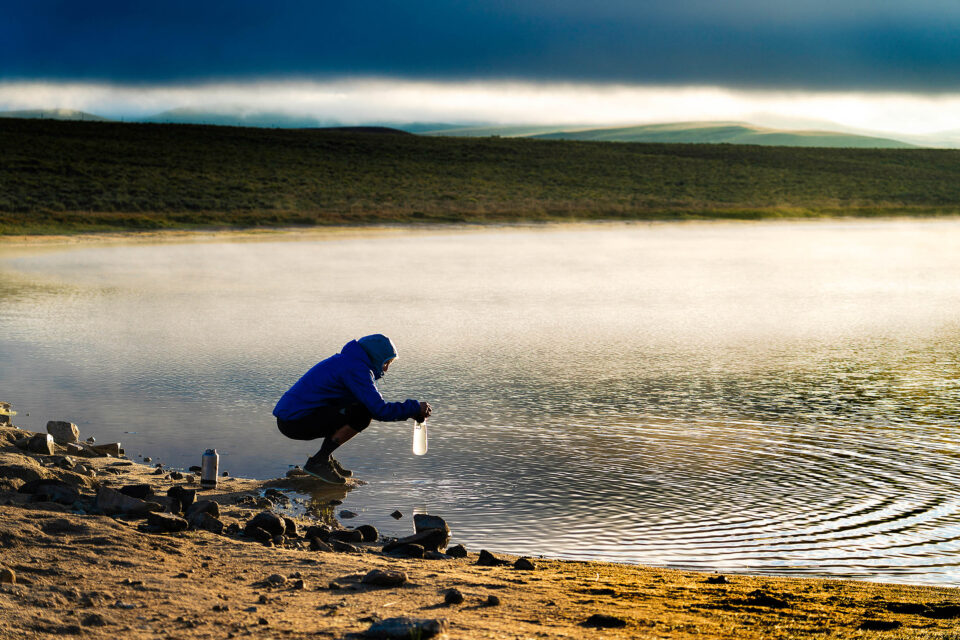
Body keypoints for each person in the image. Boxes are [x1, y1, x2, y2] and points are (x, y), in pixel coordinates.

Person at [273, 334, 432, 484]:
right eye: (386, 363)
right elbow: (378, 410)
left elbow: (371, 407)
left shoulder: (347, 362)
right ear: (375, 357)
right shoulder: (356, 369)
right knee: (361, 415)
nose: (385, 370)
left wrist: (411, 412)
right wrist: (414, 408)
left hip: (294, 418)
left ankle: (324, 460)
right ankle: (319, 462)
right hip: (295, 421)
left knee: (356, 410)